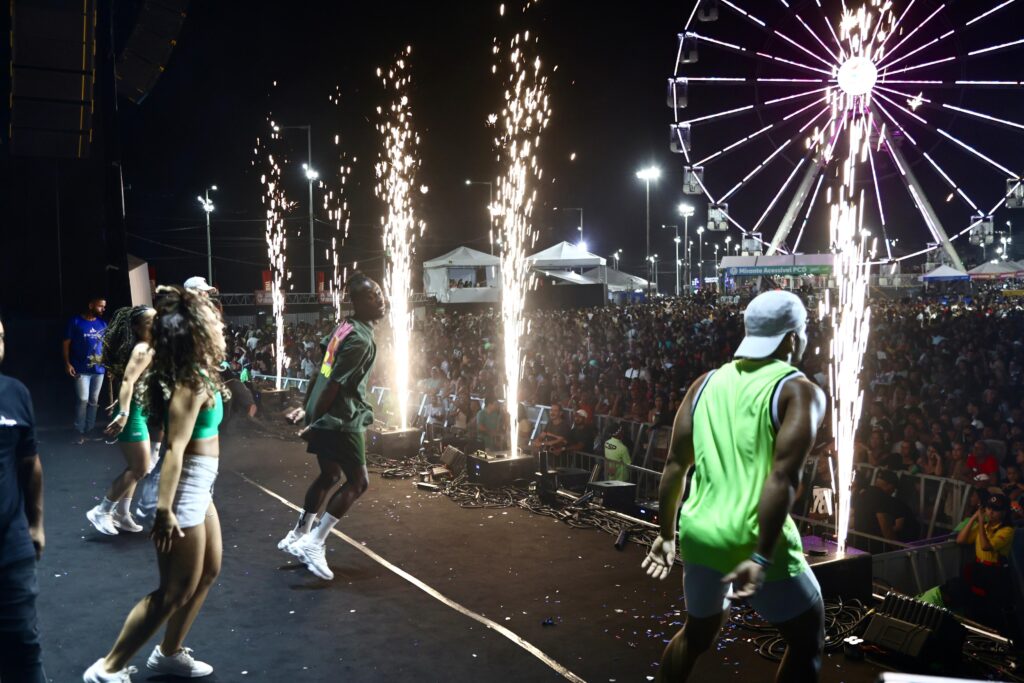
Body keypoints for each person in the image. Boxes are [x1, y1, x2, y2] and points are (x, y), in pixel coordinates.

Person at [642, 290, 827, 683]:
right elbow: (783, 477)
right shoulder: (800, 391)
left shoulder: (704, 384)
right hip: (753, 539)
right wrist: (761, 557)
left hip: (699, 534)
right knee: (807, 637)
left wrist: (666, 535)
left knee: (696, 635)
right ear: (791, 339)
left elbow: (675, 465)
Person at [83, 286, 228, 682]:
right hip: (183, 486)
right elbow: (175, 449)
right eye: (212, 319)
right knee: (174, 590)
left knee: (209, 570)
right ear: (197, 330)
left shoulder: (197, 369)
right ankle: (107, 668)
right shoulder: (189, 379)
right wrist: (163, 511)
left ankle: (169, 653)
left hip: (199, 482)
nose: (219, 324)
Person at [276, 274, 387, 581]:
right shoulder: (360, 339)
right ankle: (315, 542)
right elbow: (333, 384)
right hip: (342, 419)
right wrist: (315, 419)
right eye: (372, 295)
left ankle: (299, 533)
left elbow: (321, 371)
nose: (380, 299)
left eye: (379, 292)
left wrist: (307, 408)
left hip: (326, 415)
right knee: (358, 482)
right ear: (358, 301)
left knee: (330, 475)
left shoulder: (344, 327)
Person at [0, 317, 46, 682]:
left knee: (24, 646)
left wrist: (36, 525)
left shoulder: (15, 393)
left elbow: (30, 464)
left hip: (10, 545)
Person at [85, 306, 156, 536]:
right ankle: (102, 510)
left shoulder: (150, 347)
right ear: (136, 328)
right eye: (149, 323)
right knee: (140, 468)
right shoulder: (143, 349)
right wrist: (124, 413)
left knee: (137, 468)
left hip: (140, 411)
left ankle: (122, 514)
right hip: (133, 415)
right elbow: (127, 381)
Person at [64, 296, 108, 444]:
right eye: (100, 306)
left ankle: (90, 430)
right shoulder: (75, 321)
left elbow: (106, 345)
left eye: (104, 306)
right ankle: (78, 430)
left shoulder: (102, 324)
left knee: (94, 401)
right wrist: (67, 363)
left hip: (99, 369)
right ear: (91, 305)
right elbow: (66, 343)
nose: (103, 309)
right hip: (80, 368)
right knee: (83, 399)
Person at [852, 469, 918, 553]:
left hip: (859, 543)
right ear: (890, 486)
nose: (893, 492)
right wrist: (897, 549)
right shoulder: (882, 497)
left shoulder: (864, 492)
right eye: (894, 489)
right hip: (874, 546)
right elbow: (885, 527)